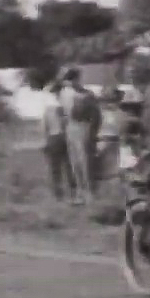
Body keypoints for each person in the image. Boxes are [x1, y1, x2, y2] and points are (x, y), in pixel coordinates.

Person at [59, 67, 101, 203]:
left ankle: (90, 192)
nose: (70, 82)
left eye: (73, 79)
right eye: (68, 80)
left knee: (85, 161)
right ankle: (80, 191)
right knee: (74, 162)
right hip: (70, 127)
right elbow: (63, 113)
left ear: (78, 79)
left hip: (83, 126)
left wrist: (92, 131)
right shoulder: (64, 94)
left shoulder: (87, 95)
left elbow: (96, 115)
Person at [41, 79, 75, 202]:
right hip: (63, 137)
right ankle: (72, 191)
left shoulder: (48, 106)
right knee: (68, 166)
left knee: (56, 168)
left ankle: (59, 193)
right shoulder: (64, 104)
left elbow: (44, 126)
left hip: (53, 137)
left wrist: (45, 141)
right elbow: (66, 122)